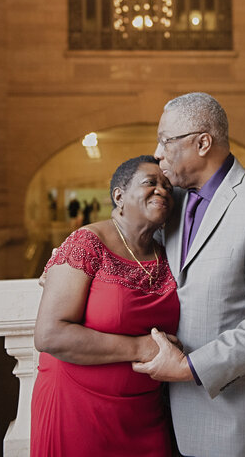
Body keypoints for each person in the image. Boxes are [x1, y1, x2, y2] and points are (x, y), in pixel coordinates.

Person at [133, 93, 245, 457]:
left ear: (202, 143)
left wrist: (190, 366)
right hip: (167, 412)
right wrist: (78, 253)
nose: (158, 152)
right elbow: (131, 238)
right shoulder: (174, 200)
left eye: (166, 141)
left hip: (238, 415)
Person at [31, 156, 180, 457]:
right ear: (119, 196)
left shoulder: (169, 253)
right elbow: (49, 336)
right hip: (77, 408)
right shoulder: (86, 243)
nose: (162, 190)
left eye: (167, 186)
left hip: (146, 411)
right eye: (150, 182)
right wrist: (141, 348)